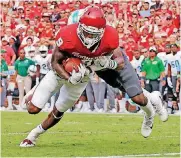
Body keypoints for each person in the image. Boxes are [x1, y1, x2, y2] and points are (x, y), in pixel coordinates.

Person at [20, 6, 168, 147]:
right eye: (86, 32)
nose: (89, 37)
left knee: (132, 94)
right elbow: (55, 62)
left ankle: (33, 135)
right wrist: (69, 77)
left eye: (93, 33)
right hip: (63, 74)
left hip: (87, 74)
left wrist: (108, 64)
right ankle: (153, 99)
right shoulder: (67, 35)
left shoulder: (109, 36)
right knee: (32, 109)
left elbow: (120, 62)